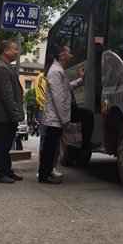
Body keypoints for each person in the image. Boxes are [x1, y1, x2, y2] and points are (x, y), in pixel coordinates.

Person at [39, 45, 87, 184]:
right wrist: (65, 118)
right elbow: (58, 97)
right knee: (49, 147)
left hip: (56, 118)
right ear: (62, 56)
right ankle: (44, 176)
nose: (71, 56)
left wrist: (80, 80)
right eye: (69, 53)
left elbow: (66, 88)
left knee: (51, 146)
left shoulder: (59, 70)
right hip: (55, 118)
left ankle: (46, 174)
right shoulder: (56, 71)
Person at [0, 40, 25, 184]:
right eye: (15, 49)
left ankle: (6, 170)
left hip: (7, 116)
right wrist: (16, 114)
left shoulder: (6, 66)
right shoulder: (1, 68)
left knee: (5, 146)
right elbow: (7, 95)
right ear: (6, 51)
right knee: (1, 146)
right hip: (3, 116)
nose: (17, 52)